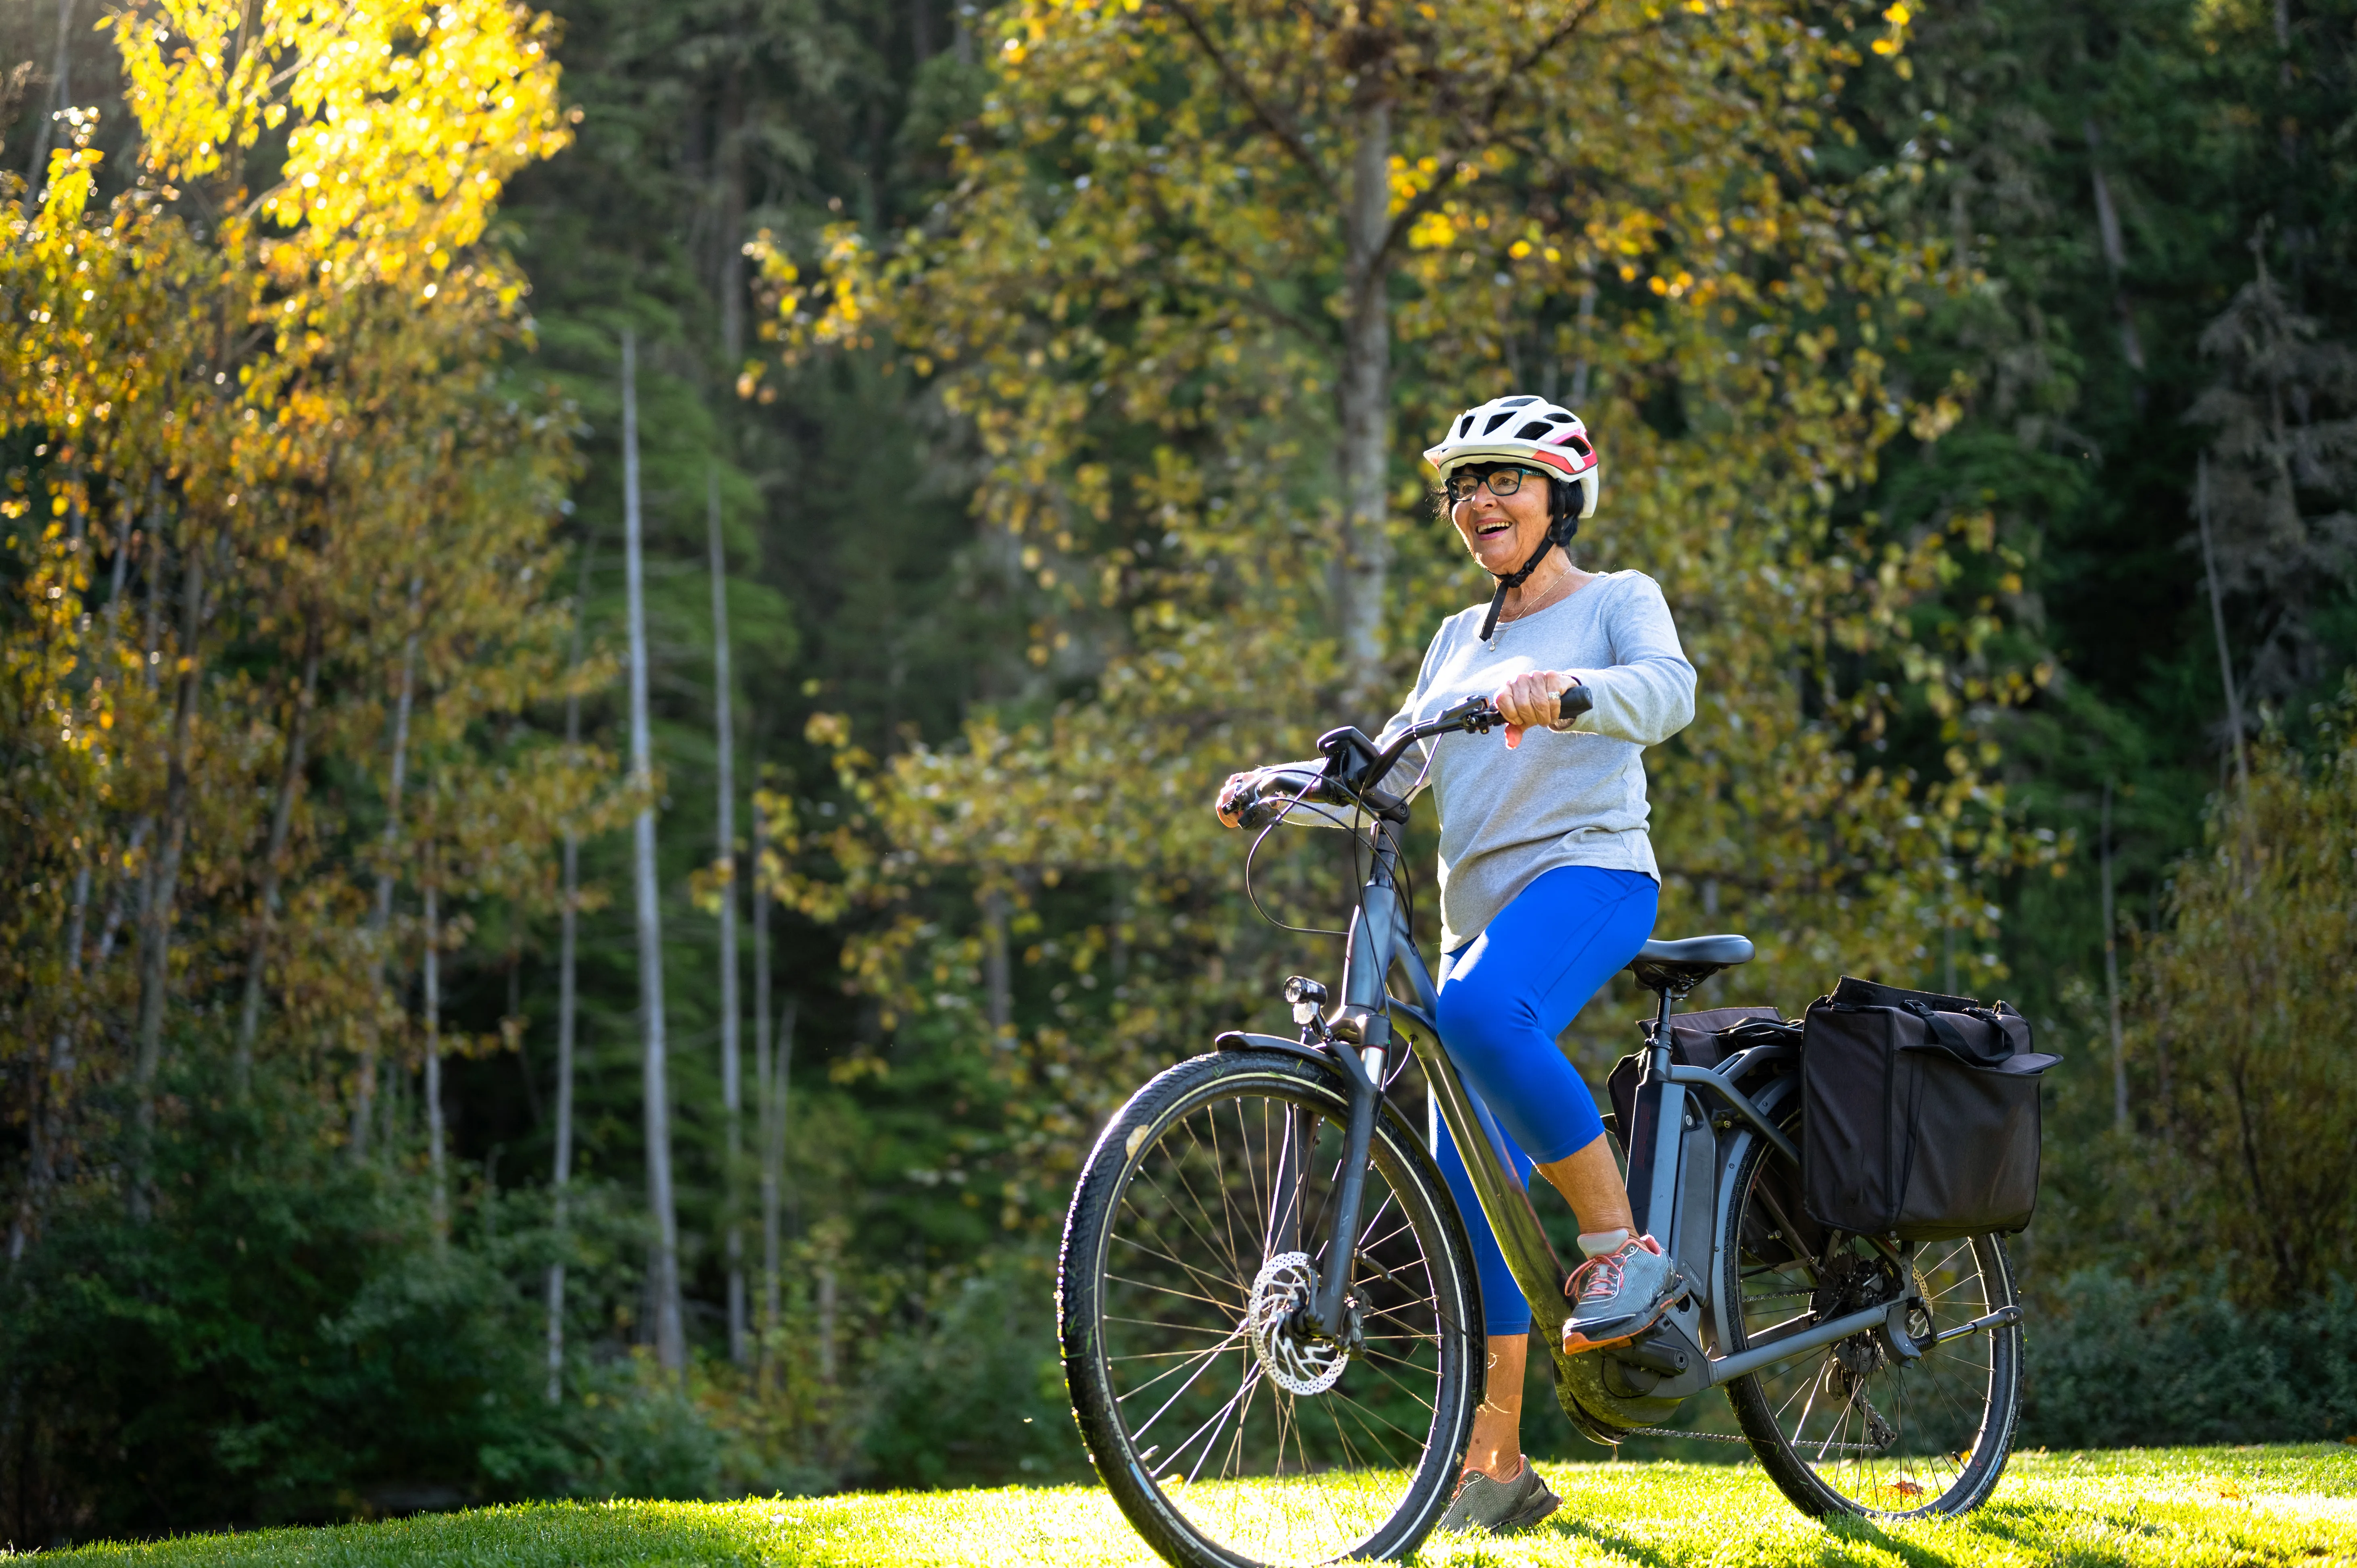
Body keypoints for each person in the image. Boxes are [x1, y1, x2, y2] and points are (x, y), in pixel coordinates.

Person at [1214, 394, 1697, 1536]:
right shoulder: (1455, 639)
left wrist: (1571, 693)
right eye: (1464, 488)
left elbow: (1670, 695)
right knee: (1470, 1190)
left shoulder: (1615, 603)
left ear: (1559, 498)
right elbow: (1394, 774)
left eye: (1506, 481)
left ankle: (1621, 1248)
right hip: (1473, 919)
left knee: (1481, 1014)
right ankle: (1497, 1467)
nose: (1480, 502)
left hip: (1591, 878)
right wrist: (1290, 786)